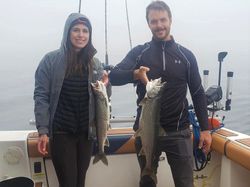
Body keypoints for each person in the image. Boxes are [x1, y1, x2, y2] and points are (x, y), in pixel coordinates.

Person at [109, 1, 212, 187]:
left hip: (179, 131)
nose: (159, 25)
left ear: (170, 20)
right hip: (146, 131)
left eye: (163, 20)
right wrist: (135, 74)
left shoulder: (186, 56)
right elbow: (114, 76)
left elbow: (197, 92)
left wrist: (205, 129)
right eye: (153, 21)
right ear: (148, 23)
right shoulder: (140, 53)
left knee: (185, 183)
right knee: (147, 181)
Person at [34, 13, 109, 187]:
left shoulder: (95, 64)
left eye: (85, 31)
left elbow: (104, 98)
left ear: (89, 35)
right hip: (61, 133)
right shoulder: (50, 61)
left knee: (80, 181)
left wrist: (107, 84)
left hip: (86, 134)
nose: (81, 35)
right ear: (67, 32)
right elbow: (41, 96)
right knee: (67, 183)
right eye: (76, 30)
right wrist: (43, 131)